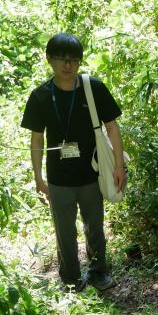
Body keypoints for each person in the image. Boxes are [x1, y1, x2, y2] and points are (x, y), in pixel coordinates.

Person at [21, 33, 126, 291]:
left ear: (79, 62)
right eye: (61, 59)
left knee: (95, 226)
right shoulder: (41, 96)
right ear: (49, 59)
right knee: (64, 231)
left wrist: (119, 165)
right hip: (58, 178)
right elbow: (37, 139)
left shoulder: (94, 88)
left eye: (74, 60)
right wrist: (38, 177)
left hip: (92, 173)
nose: (68, 65)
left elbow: (112, 127)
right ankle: (70, 278)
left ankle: (99, 271)